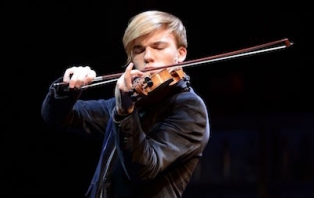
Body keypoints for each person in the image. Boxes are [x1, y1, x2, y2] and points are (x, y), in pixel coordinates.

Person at [41, 10, 210, 198]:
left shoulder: (189, 109)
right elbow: (59, 117)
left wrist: (125, 112)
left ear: (180, 54)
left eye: (159, 47)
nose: (147, 57)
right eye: (138, 50)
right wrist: (68, 88)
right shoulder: (134, 100)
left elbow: (144, 170)